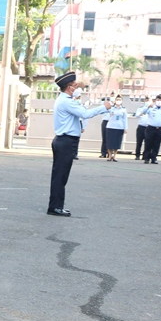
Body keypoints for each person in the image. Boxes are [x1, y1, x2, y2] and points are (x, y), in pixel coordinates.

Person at [47, 71, 110, 216]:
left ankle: (56, 205)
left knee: (60, 175)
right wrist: (104, 107)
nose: (77, 86)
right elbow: (85, 114)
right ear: (69, 88)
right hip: (65, 141)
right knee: (60, 176)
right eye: (75, 85)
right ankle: (55, 207)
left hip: (64, 141)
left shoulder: (65, 100)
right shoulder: (66, 101)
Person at [140, 94, 161, 164]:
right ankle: (146, 158)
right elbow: (142, 112)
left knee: (157, 144)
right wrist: (147, 107)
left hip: (160, 128)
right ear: (155, 101)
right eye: (158, 100)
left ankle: (154, 158)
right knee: (148, 143)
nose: (159, 101)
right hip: (151, 128)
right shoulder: (151, 108)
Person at [105, 96, 126, 161]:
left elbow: (125, 119)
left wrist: (125, 128)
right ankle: (110, 155)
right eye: (117, 99)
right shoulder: (111, 108)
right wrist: (111, 104)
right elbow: (106, 111)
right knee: (109, 142)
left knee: (117, 142)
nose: (118, 101)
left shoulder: (123, 109)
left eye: (119, 100)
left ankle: (115, 156)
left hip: (119, 127)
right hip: (111, 126)